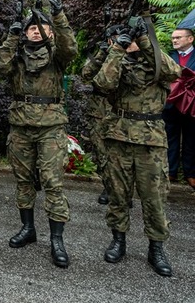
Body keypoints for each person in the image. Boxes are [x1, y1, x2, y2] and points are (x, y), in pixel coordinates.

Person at [93, 19, 181, 277]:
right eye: (127, 37)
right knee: (118, 195)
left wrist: (145, 39)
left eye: (132, 38)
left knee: (154, 198)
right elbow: (102, 83)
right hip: (118, 138)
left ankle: (156, 248)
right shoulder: (117, 61)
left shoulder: (155, 63)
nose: (130, 41)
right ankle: (118, 239)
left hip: (150, 141)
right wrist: (117, 50)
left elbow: (174, 72)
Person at [0, 0, 76, 268]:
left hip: (50, 128)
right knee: (23, 180)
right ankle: (28, 229)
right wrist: (11, 36)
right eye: (30, 28)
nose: (34, 31)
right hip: (20, 127)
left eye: (40, 28)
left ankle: (57, 240)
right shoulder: (18, 55)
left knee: (53, 183)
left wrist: (59, 16)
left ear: (49, 32)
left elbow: (71, 49)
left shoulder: (56, 56)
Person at [80, 26, 121, 204]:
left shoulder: (131, 56)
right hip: (98, 110)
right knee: (100, 152)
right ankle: (108, 185)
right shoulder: (103, 55)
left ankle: (120, 189)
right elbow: (86, 74)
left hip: (120, 110)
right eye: (114, 39)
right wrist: (102, 54)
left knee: (119, 153)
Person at [164, 27, 195, 188]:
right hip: (171, 104)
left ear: (190, 39)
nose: (174, 40)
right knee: (170, 137)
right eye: (173, 38)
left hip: (191, 104)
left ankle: (190, 173)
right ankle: (171, 171)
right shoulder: (169, 56)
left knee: (191, 138)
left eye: (178, 37)